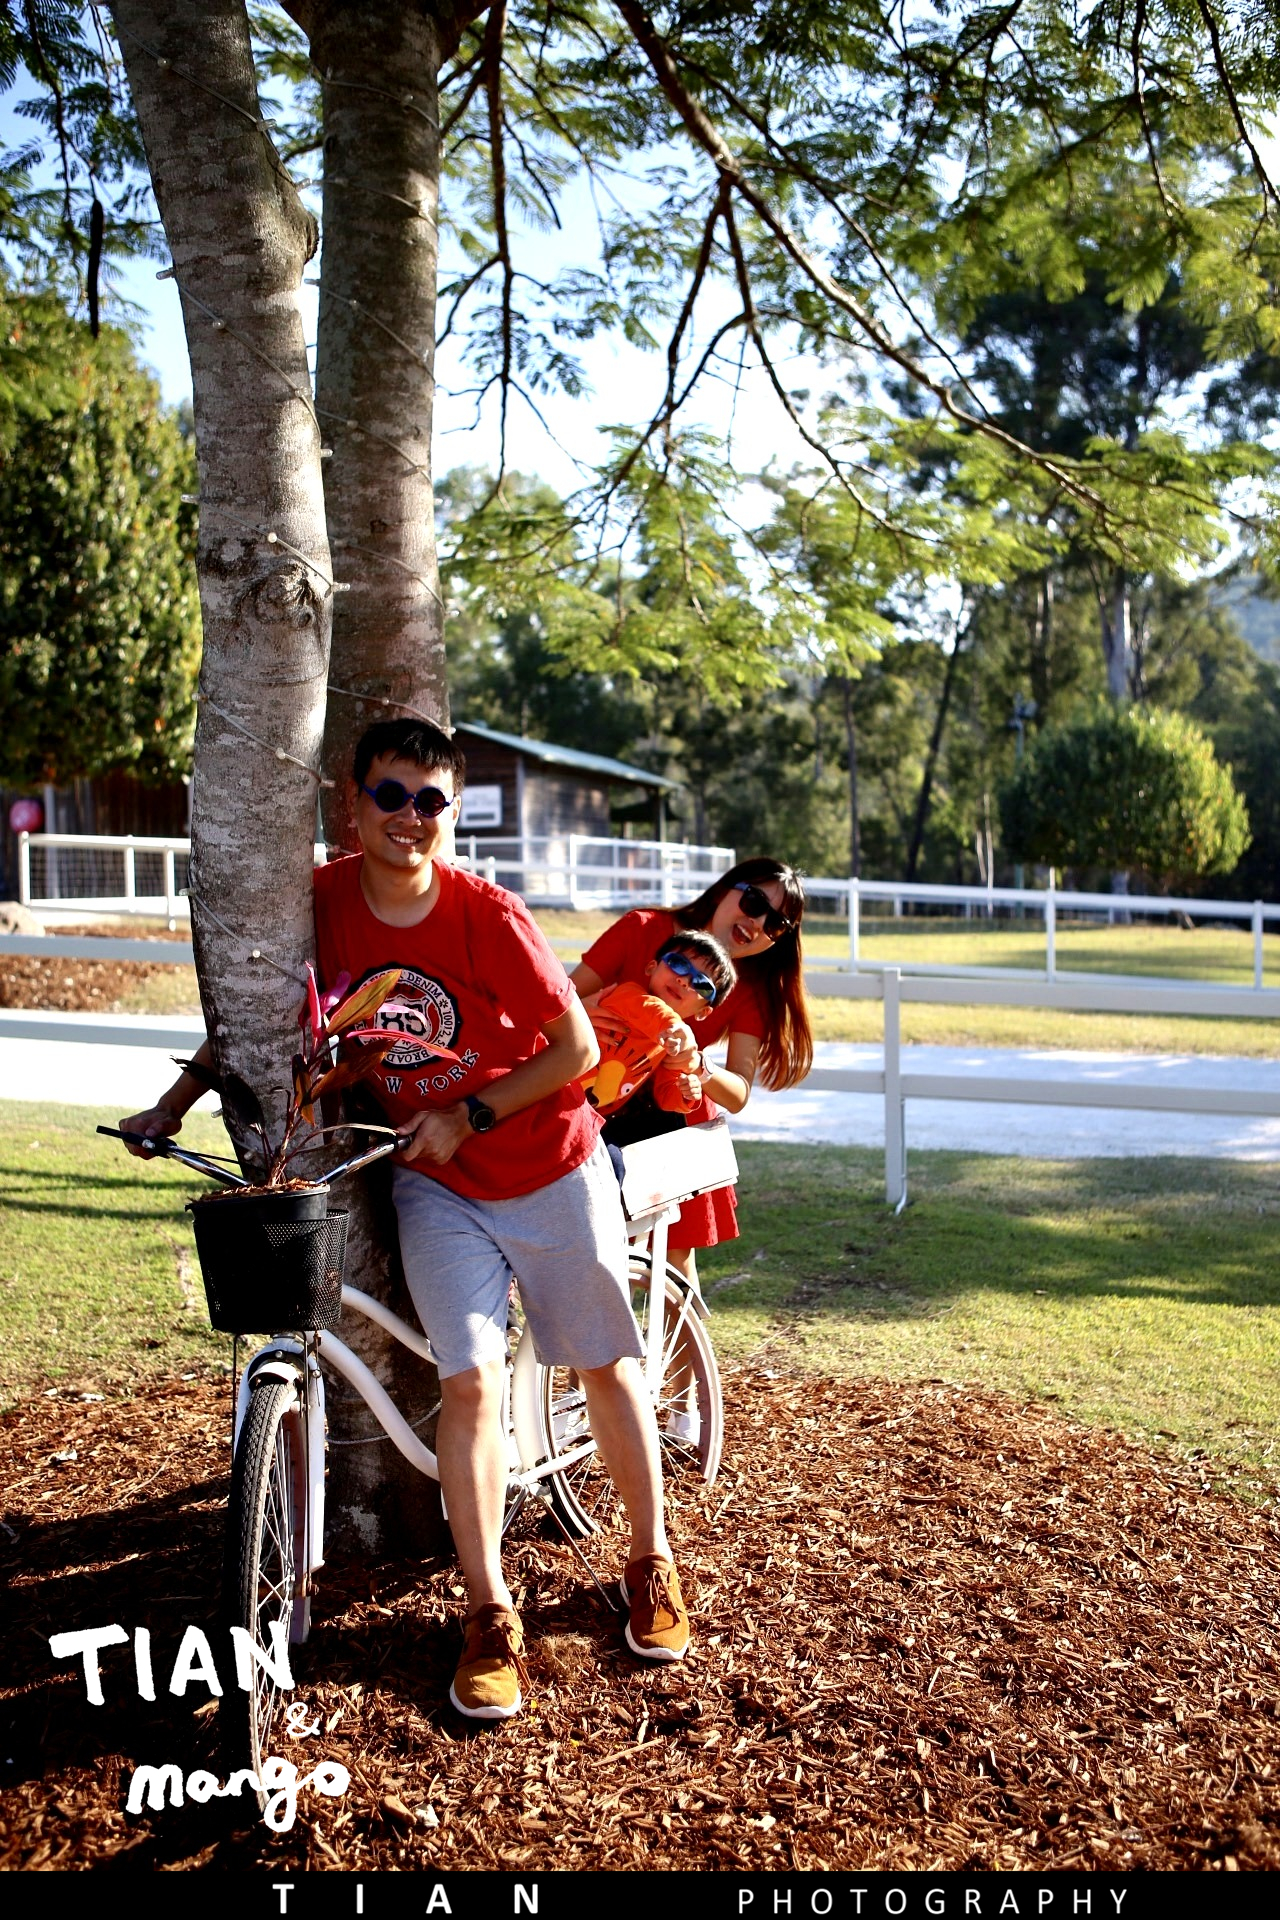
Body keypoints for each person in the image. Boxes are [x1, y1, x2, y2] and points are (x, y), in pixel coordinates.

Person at [120, 717, 691, 1722]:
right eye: (391, 794)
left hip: (549, 1166)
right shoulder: (325, 901)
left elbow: (570, 1054)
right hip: (437, 1188)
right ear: (352, 800)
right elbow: (259, 1014)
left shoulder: (487, 915)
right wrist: (173, 1103)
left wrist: (466, 1111)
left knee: (606, 1363)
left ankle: (650, 1563)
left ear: (451, 812)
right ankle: (489, 1617)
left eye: (431, 801)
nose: (410, 818)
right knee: (467, 1382)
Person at [570, 857, 812, 1282]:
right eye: (753, 900)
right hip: (585, 1097)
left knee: (676, 1262)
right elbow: (561, 1000)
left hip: (668, 1108)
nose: (756, 922)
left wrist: (699, 1066)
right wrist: (588, 1010)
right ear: (725, 888)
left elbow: (737, 1093)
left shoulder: (749, 988)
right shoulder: (643, 928)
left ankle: (686, 1350)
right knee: (586, 1242)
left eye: (775, 925)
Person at [579, 931, 736, 1121]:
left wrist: (685, 1093)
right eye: (678, 964)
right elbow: (651, 1010)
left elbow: (665, 1095)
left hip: (588, 1115)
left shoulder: (673, 1044)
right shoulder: (628, 995)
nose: (685, 981)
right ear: (651, 967)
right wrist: (677, 1028)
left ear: (703, 1012)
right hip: (557, 1084)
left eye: (702, 984)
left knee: (612, 1153)